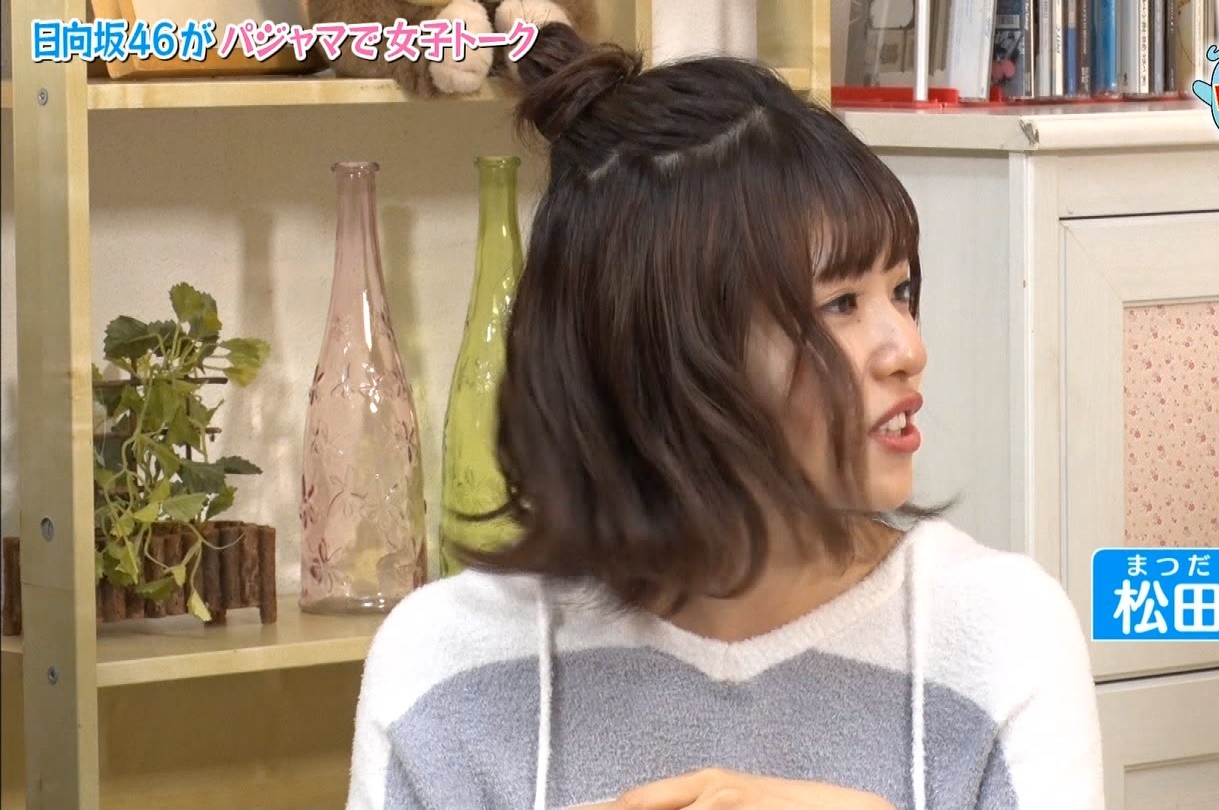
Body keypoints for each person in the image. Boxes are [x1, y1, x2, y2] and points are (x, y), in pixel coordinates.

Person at [345, 21, 1104, 810]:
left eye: (901, 290)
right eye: (841, 304)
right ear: (661, 349)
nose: (907, 349)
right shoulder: (445, 667)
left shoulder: (999, 635)